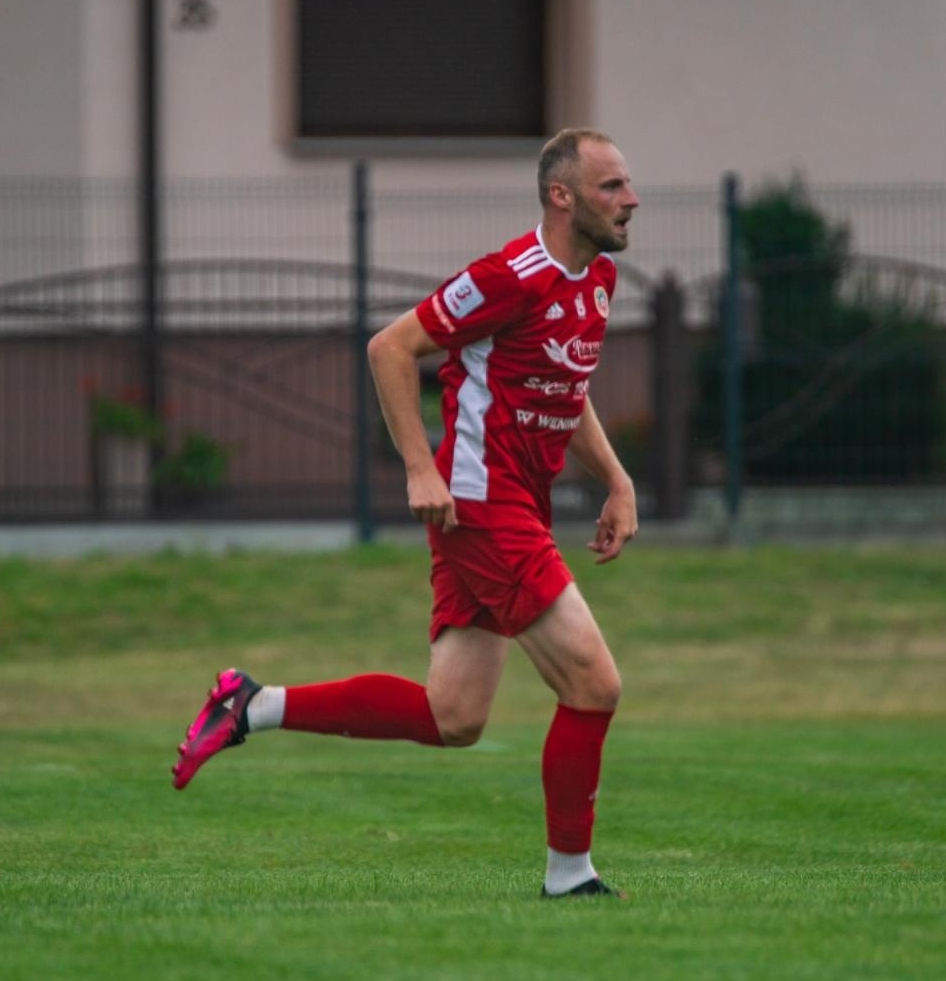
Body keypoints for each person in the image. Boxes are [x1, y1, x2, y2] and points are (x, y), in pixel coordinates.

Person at [172, 127, 640, 898]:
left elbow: (567, 385)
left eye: (627, 184)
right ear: (563, 197)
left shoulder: (596, 281)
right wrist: (420, 468)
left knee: (454, 715)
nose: (630, 199)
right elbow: (390, 346)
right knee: (594, 682)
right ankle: (570, 876)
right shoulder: (509, 275)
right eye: (612, 186)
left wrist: (617, 481)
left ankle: (251, 704)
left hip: (514, 503)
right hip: (481, 502)